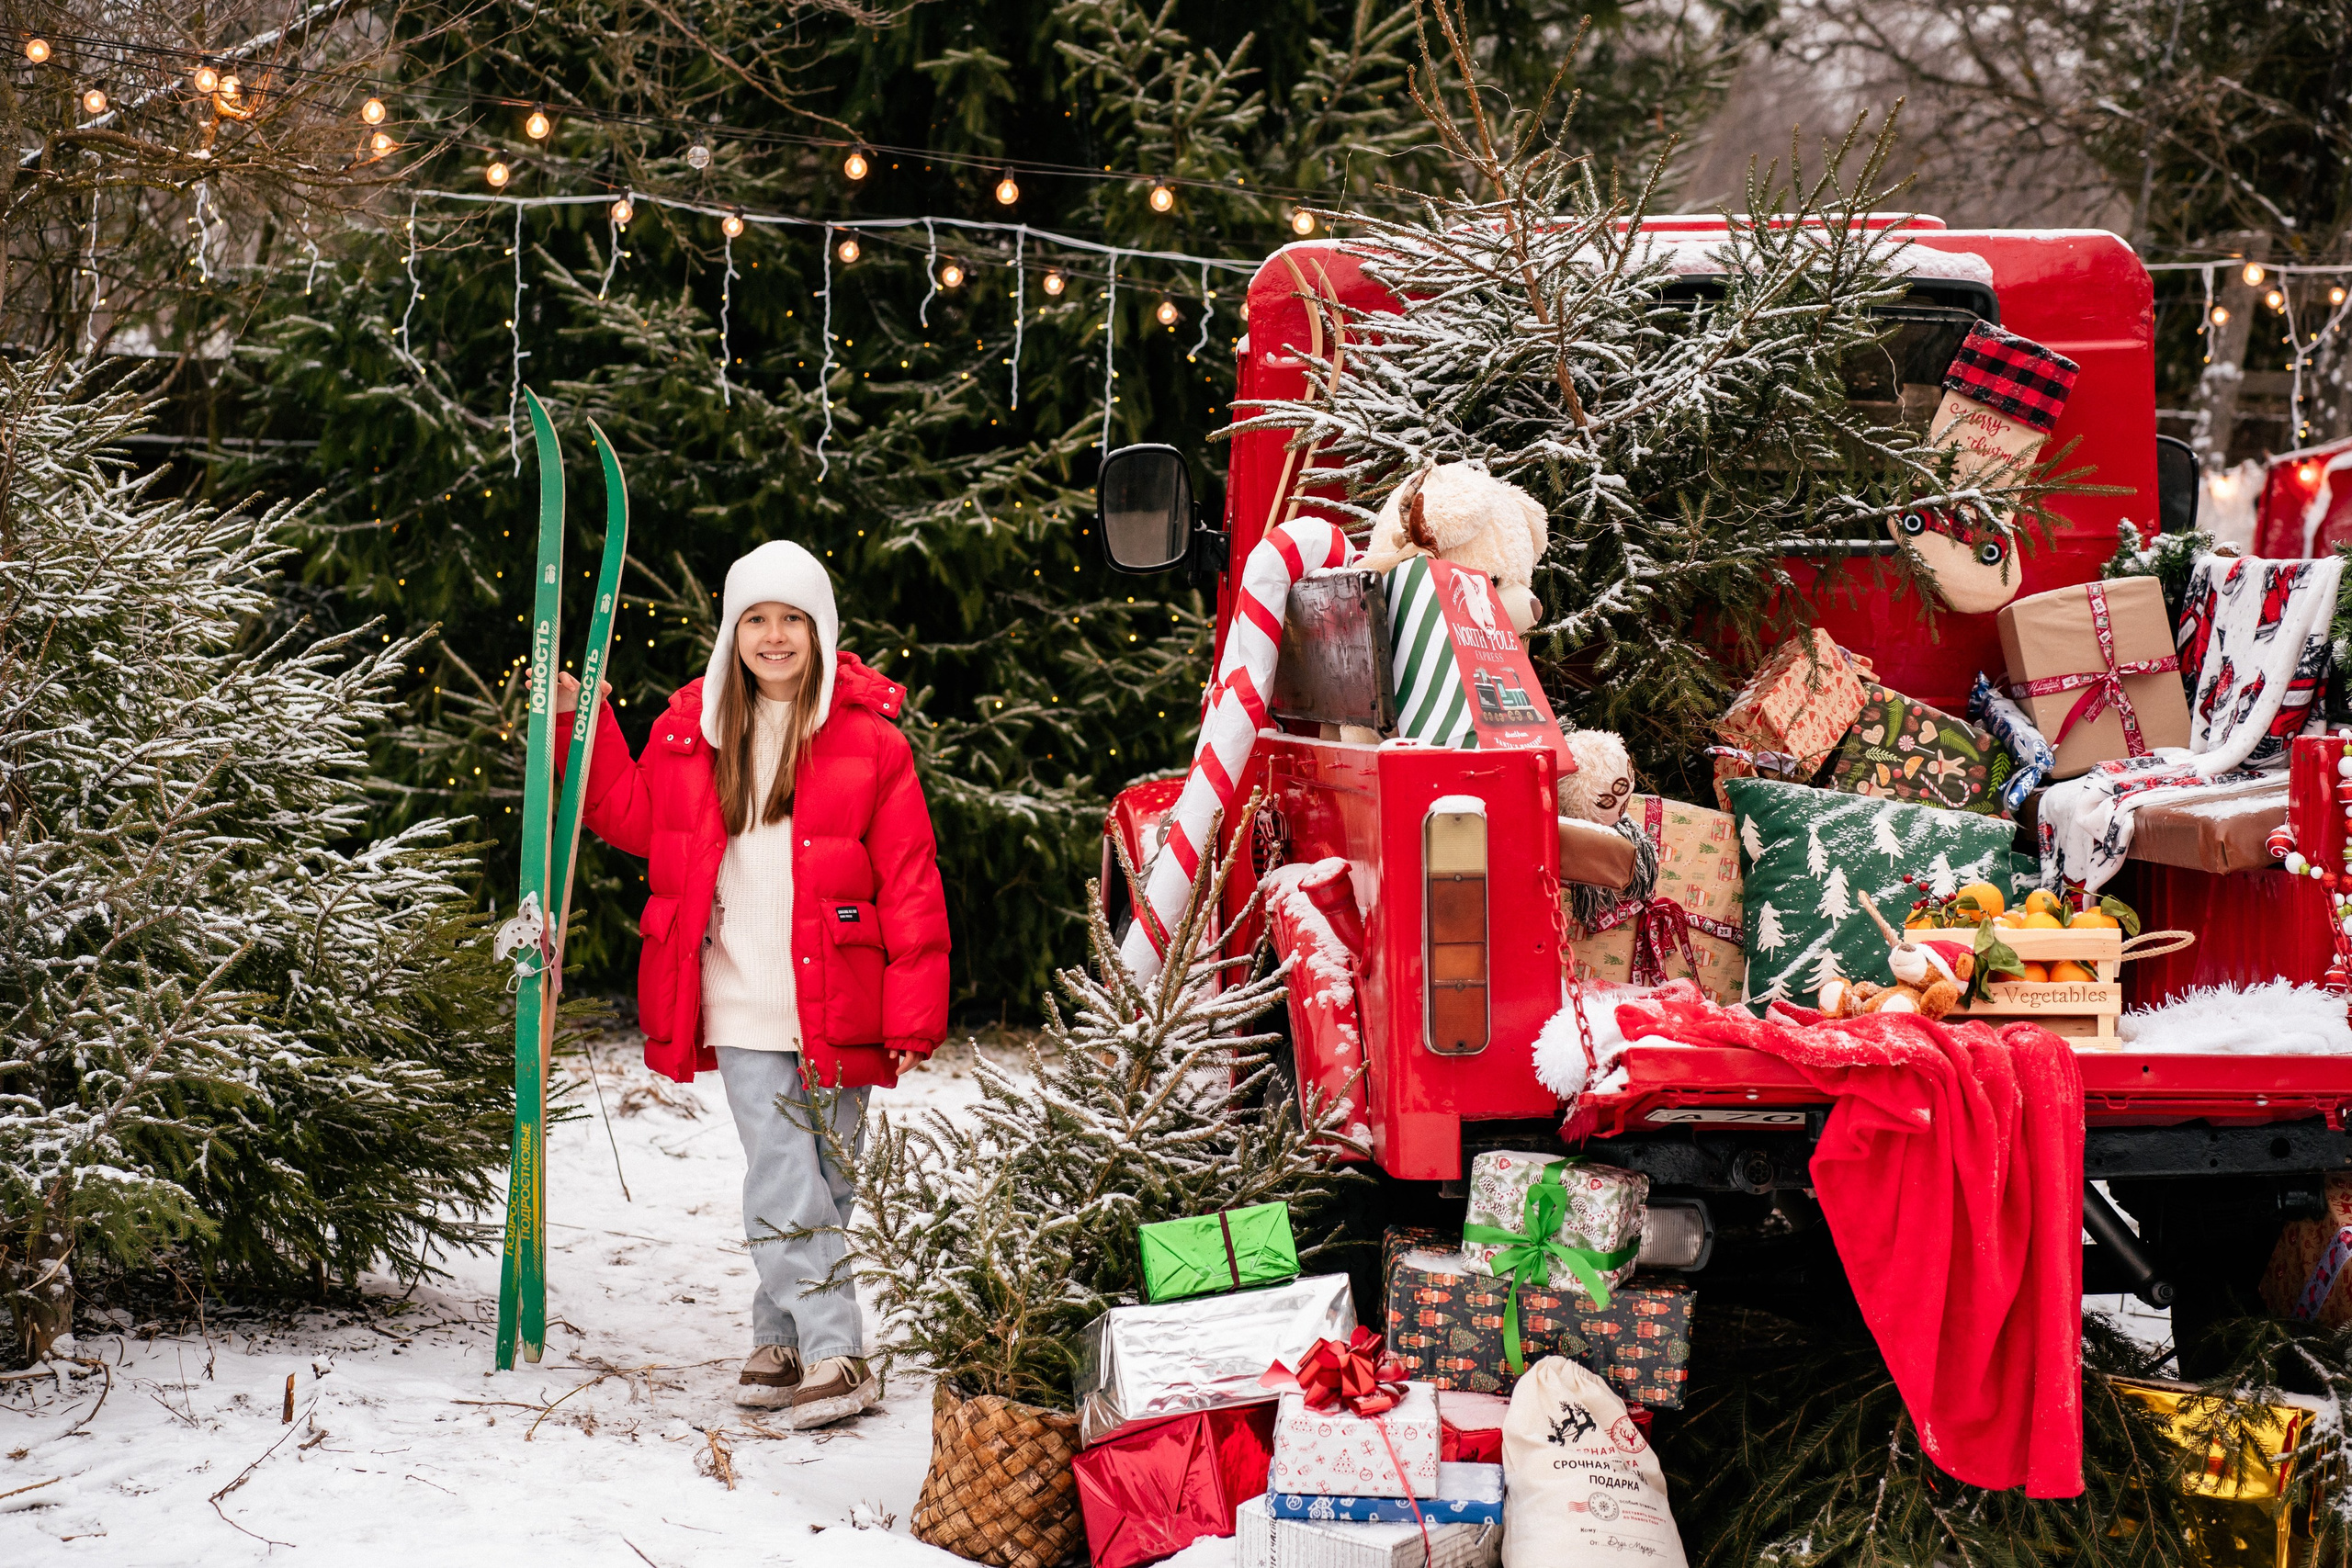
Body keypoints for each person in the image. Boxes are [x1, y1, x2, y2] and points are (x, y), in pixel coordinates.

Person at [552, 539, 948, 1428]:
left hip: (841, 995)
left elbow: (911, 878)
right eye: (756, 619)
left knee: (826, 1179)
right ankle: (840, 1352)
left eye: (791, 619)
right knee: (781, 1171)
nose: (774, 636)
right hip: (738, 994)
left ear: (820, 630)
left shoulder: (871, 744)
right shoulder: (694, 732)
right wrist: (586, 724)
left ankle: (780, 1337)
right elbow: (629, 817)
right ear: (732, 631)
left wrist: (913, 1012)